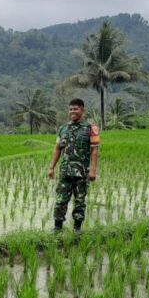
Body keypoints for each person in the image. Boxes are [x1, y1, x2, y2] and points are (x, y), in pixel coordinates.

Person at [48, 98, 100, 232]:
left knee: (80, 201)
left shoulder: (91, 128)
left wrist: (93, 170)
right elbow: (57, 148)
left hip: (82, 173)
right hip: (65, 172)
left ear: (82, 110)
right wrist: (51, 167)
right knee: (60, 200)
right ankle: (57, 227)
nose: (72, 111)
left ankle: (77, 228)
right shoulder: (62, 129)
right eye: (70, 109)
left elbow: (94, 150)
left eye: (75, 109)